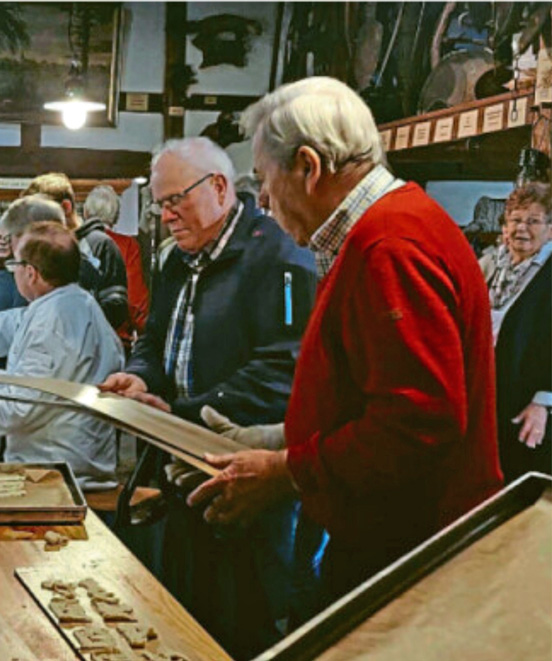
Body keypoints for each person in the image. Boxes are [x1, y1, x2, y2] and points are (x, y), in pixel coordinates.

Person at [188, 76, 503, 609]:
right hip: (400, 545)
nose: (262, 201)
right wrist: (282, 440)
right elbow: (374, 391)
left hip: (409, 558)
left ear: (309, 167)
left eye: (264, 180)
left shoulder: (390, 246)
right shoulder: (390, 227)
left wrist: (288, 471)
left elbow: (418, 424)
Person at [99, 137, 317, 656]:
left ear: (219, 187)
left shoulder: (280, 256)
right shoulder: (175, 261)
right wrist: (142, 379)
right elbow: (153, 338)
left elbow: (280, 368)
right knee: (179, 616)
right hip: (181, 464)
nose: (166, 214)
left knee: (241, 625)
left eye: (176, 200)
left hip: (247, 474)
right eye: (159, 203)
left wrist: (181, 412)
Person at [0, 221, 124, 492]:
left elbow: (19, 410)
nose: (12, 271)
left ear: (31, 273)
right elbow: (16, 322)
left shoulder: (50, 325)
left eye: (14, 265)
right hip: (77, 460)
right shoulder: (76, 301)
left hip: (57, 473)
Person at [486, 182, 551, 481]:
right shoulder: (491, 263)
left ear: (550, 229)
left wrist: (544, 401)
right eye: (515, 219)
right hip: (488, 396)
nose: (521, 228)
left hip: (530, 409)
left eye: (533, 221)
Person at [24, 173, 129, 330]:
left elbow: (117, 308)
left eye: (41, 214)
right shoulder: (40, 250)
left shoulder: (100, 244)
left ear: (66, 207)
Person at [84, 184, 150, 347]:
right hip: (114, 339)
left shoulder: (73, 242)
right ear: (115, 216)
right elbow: (135, 298)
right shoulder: (127, 245)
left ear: (85, 212)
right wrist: (146, 332)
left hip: (77, 339)